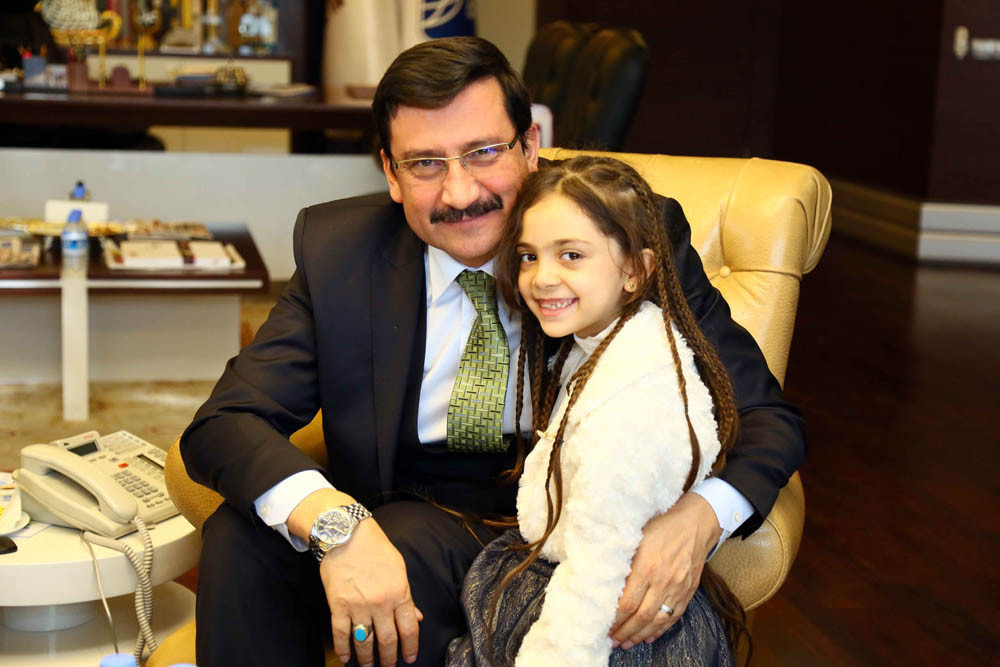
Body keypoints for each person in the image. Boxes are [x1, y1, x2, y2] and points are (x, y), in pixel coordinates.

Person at [180, 36, 804, 667]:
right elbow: (225, 422)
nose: (459, 194)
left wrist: (699, 519)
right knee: (238, 536)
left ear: (530, 147)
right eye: (425, 164)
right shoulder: (340, 251)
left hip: (560, 533)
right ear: (391, 174)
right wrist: (337, 526)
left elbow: (766, 418)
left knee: (403, 543)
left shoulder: (620, 237)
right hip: (397, 514)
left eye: (483, 153)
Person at [447, 156, 743, 666]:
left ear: (636, 270)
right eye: (528, 256)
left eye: (571, 255)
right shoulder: (605, 341)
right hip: (560, 574)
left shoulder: (632, 401)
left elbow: (595, 575)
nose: (542, 277)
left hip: (605, 622)